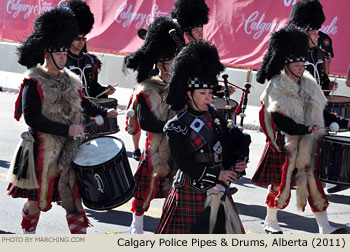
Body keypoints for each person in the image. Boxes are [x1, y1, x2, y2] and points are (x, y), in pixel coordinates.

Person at [6, 7, 103, 234]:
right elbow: (32, 118)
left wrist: (101, 111)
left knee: (74, 202)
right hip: (41, 151)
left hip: (68, 150)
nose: (64, 58)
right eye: (59, 55)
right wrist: (66, 129)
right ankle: (27, 238)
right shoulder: (34, 81)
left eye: (64, 54)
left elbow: (83, 102)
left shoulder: (71, 79)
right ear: (47, 55)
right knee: (35, 202)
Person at [251, 26, 349, 234]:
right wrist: (305, 128)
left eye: (302, 64)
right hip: (285, 142)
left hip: (306, 141)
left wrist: (342, 121)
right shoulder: (276, 86)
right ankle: (270, 222)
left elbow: (318, 110)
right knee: (279, 185)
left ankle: (324, 227)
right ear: (286, 65)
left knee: (313, 183)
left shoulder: (308, 83)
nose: (301, 68)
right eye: (297, 65)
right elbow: (280, 119)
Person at [155, 41, 248, 234]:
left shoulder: (213, 115)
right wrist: (217, 175)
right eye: (202, 93)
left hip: (219, 187)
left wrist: (239, 161)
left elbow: (229, 143)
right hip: (191, 189)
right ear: (189, 94)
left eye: (210, 92)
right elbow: (184, 164)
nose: (208, 97)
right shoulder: (177, 126)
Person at [125, 16, 185, 234]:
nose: (174, 66)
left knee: (180, 192)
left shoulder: (184, 87)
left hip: (179, 149)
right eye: (170, 63)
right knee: (144, 191)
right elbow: (146, 122)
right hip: (154, 148)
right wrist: (175, 126)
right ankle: (137, 226)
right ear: (160, 64)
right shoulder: (146, 88)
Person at [60, 0, 116, 99]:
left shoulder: (90, 60)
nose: (81, 42)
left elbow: (93, 87)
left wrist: (105, 90)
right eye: (78, 38)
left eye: (84, 38)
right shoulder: (60, 59)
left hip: (88, 106)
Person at [288, 0, 337, 92]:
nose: (318, 36)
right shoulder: (291, 53)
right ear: (304, 34)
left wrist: (329, 85)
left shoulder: (319, 53)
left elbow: (322, 79)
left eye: (318, 33)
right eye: (314, 33)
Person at [125, 28, 148, 161]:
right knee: (135, 115)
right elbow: (131, 62)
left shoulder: (166, 50)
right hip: (143, 86)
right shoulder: (143, 51)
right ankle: (136, 149)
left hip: (161, 87)